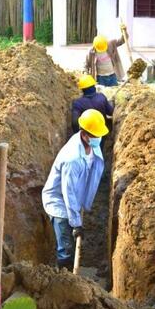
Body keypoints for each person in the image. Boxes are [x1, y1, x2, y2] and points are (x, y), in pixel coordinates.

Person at [42, 109, 109, 270]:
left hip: (73, 198)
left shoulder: (89, 143)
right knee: (66, 247)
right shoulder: (72, 159)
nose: (98, 139)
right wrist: (76, 223)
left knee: (70, 239)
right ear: (84, 135)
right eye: (95, 136)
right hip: (59, 203)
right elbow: (68, 193)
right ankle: (64, 276)